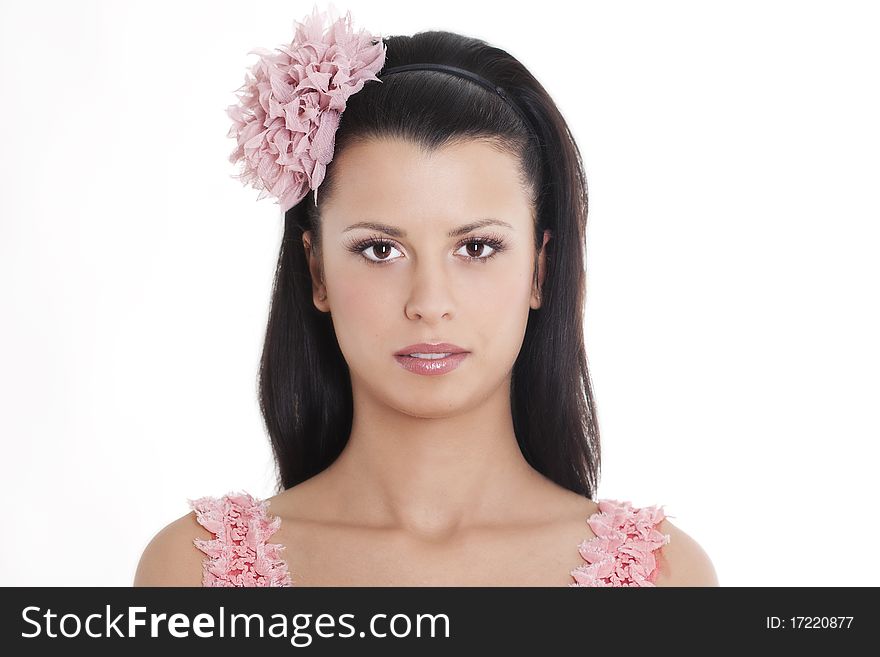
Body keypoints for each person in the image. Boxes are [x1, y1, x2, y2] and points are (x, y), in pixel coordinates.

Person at [134, 5, 718, 587]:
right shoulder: (194, 570)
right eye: (381, 251)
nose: (429, 302)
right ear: (316, 271)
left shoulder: (664, 579)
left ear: (541, 269)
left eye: (478, 248)